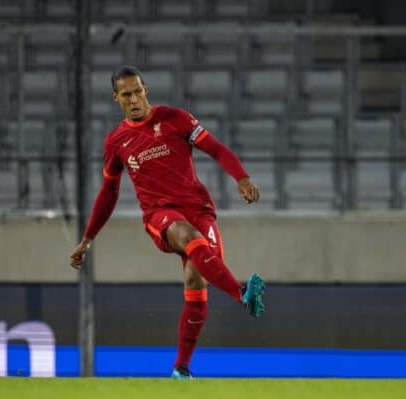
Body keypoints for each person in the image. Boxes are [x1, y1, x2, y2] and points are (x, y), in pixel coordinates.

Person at [69, 65, 265, 379]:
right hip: (160, 216)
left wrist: (241, 179)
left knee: (196, 279)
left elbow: (215, 148)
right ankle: (242, 294)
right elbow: (109, 193)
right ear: (115, 98)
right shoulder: (117, 142)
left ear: (145, 89)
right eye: (125, 95)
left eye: (136, 91)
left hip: (199, 209)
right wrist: (87, 238)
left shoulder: (175, 119)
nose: (133, 99)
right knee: (186, 235)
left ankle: (181, 369)